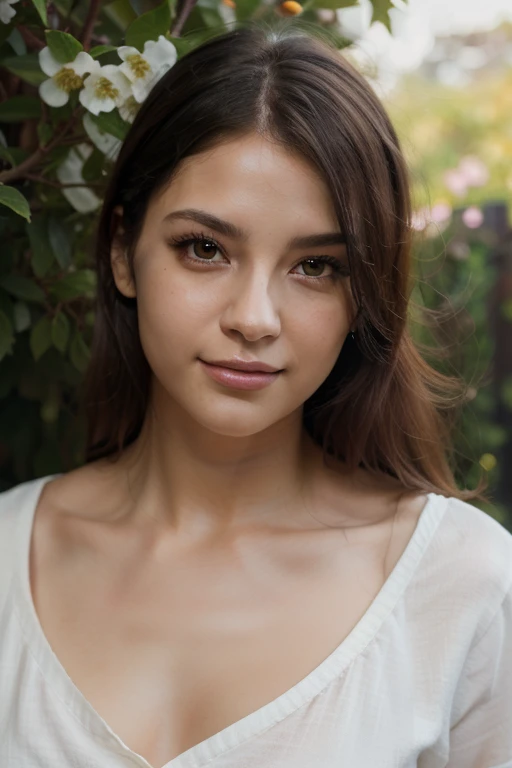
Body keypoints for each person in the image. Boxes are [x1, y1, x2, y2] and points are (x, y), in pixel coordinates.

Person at [0, 20, 511, 768]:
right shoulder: (10, 554)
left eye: (316, 268)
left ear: (362, 294)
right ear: (121, 252)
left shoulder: (462, 587)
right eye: (204, 249)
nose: (253, 319)